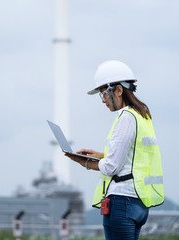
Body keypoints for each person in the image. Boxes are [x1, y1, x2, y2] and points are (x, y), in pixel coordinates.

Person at [65, 60, 164, 240]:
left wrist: (84, 162)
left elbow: (111, 168)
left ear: (118, 90)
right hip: (139, 203)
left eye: (103, 94)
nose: (103, 100)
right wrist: (102, 155)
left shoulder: (125, 118)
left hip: (122, 203)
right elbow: (135, 156)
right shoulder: (142, 116)